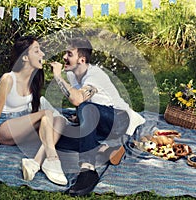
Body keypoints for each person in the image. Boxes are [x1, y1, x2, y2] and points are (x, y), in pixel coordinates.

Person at [51, 37, 145, 196]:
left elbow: (79, 99)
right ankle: (105, 150)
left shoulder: (95, 75)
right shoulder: (73, 74)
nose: (64, 57)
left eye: (69, 54)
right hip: (99, 122)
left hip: (118, 119)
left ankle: (88, 169)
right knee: (57, 136)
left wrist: (57, 76)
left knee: (86, 107)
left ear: (81, 59)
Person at [0, 35, 67, 186]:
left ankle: (35, 163)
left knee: (60, 120)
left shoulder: (34, 79)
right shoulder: (8, 79)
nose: (43, 54)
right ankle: (52, 158)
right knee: (47, 114)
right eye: (37, 51)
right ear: (25, 57)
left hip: (23, 128)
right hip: (5, 128)